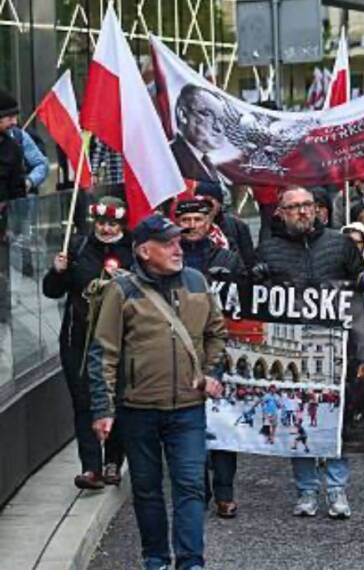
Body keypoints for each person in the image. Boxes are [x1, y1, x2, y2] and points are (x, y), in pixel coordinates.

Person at [88, 214, 226, 570]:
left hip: (188, 408)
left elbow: (217, 334)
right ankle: (156, 558)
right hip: (138, 409)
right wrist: (103, 409)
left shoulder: (196, 281)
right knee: (147, 491)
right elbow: (103, 352)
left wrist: (211, 373)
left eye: (178, 241)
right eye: (168, 243)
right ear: (145, 251)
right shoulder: (121, 290)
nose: (178, 248)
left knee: (191, 486)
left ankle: (191, 561)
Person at [255, 185, 364, 519]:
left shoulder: (340, 244)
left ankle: (337, 489)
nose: (303, 211)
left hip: (337, 346)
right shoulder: (268, 250)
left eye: (308, 205)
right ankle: (306, 490)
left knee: (336, 419)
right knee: (298, 418)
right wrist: (255, 279)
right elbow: (255, 302)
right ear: (281, 213)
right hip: (293, 351)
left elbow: (361, 287)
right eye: (294, 207)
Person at [43, 196, 133, 490]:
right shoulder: (79, 247)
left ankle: (112, 461)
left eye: (112, 224)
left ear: (120, 224)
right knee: (83, 401)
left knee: (115, 397)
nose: (106, 229)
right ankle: (90, 467)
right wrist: (58, 271)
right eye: (102, 223)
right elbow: (52, 292)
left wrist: (129, 279)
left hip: (118, 339)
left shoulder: (133, 250)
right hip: (78, 339)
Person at [174, 196, 245, 519]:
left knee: (223, 423)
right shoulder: (170, 260)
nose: (191, 227)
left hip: (223, 348)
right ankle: (197, 489)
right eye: (185, 221)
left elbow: (247, 297)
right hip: (182, 350)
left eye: (197, 221)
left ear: (208, 222)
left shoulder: (228, 258)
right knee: (190, 425)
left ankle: (225, 492)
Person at [194, 181, 256, 269]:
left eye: (208, 202)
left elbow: (248, 261)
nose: (205, 207)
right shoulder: (189, 227)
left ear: (219, 204)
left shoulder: (237, 226)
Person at [0, 88, 48, 200]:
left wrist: (28, 182)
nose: (15, 122)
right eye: (10, 118)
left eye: (15, 117)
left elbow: (42, 164)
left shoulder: (17, 140)